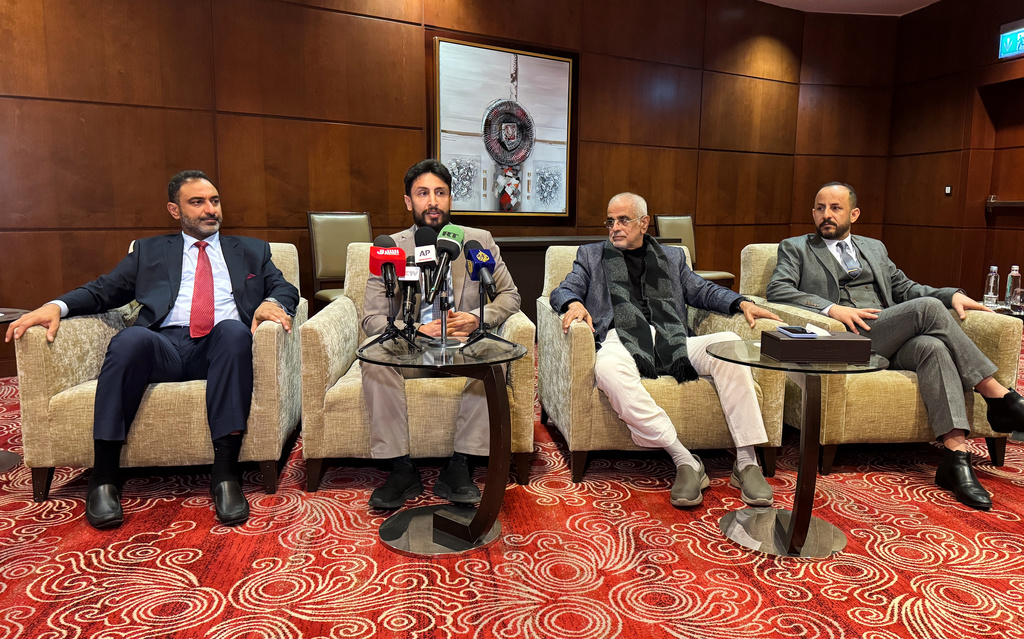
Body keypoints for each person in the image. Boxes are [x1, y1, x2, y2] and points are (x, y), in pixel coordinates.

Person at [5, 170, 298, 529]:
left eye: (214, 201)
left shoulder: (252, 251)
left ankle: (225, 476)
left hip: (221, 349)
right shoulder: (150, 251)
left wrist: (271, 303)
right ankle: (104, 478)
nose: (210, 209)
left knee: (235, 331)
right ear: (175, 210)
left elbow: (285, 288)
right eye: (197, 202)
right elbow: (104, 290)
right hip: (164, 345)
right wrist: (57, 306)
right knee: (130, 339)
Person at [766, 181, 1024, 510]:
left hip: (886, 335)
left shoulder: (874, 248)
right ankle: (998, 395)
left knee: (932, 347)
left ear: (854, 214)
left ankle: (956, 458)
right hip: (847, 337)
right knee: (928, 310)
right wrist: (832, 309)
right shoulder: (796, 247)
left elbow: (905, 289)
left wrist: (952, 295)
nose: (826, 215)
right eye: (820, 208)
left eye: (835, 208)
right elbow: (778, 289)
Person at [549, 193, 781, 507]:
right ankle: (685, 459)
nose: (615, 227)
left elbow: (702, 290)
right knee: (606, 369)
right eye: (610, 221)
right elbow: (564, 288)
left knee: (729, 345)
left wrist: (741, 303)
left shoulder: (672, 257)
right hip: (622, 339)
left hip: (673, 341)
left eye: (623, 220)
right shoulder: (591, 255)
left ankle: (747, 461)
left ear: (644, 223)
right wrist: (574, 303)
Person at [360, 159, 521, 509]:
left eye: (440, 193)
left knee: (495, 357)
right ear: (409, 202)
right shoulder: (392, 248)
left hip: (462, 348)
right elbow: (372, 318)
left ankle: (460, 465)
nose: (432, 201)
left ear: (450, 198)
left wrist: (477, 318)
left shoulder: (479, 241)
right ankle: (400, 468)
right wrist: (416, 329)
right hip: (410, 350)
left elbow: (510, 296)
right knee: (373, 359)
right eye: (423, 193)